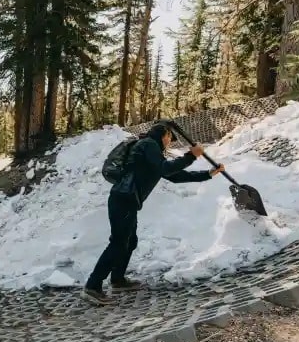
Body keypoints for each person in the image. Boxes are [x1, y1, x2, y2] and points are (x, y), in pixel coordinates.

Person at [81, 122, 226, 305]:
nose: (169, 142)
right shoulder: (148, 144)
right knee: (118, 243)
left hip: (127, 200)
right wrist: (191, 156)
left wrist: (208, 174)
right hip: (123, 199)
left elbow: (174, 176)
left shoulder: (152, 153)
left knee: (129, 242)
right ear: (163, 135)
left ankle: (118, 280)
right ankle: (92, 286)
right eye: (168, 138)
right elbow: (166, 169)